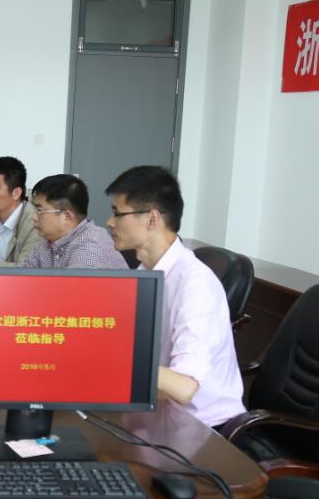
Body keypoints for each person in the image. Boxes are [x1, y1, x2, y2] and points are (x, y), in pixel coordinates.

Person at [105, 165, 245, 428]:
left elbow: (184, 387)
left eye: (117, 213)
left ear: (152, 219)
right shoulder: (145, 273)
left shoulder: (194, 284)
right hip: (156, 410)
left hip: (203, 427)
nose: (110, 222)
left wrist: (115, 360)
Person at [20, 174, 127, 269]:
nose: (34, 217)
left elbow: (73, 286)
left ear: (67, 217)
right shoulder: (48, 244)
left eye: (39, 210)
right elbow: (20, 275)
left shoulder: (90, 247)